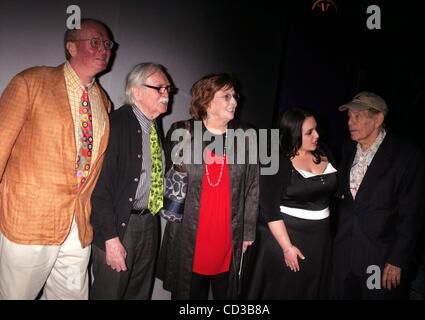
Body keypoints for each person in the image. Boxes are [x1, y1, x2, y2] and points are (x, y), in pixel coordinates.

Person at [0, 18, 113, 299]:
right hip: (28, 221)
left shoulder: (103, 101)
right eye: (95, 42)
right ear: (71, 47)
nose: (104, 49)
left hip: (78, 225)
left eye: (108, 44)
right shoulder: (31, 81)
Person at [157, 73, 259, 300]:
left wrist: (248, 232)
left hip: (228, 234)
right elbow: (166, 176)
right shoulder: (182, 132)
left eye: (235, 96)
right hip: (190, 232)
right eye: (226, 96)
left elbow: (252, 186)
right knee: (188, 294)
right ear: (206, 101)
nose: (234, 102)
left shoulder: (245, 136)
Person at [330, 91, 425, 299]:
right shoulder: (347, 150)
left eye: (357, 116)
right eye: (349, 117)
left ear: (378, 119)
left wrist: (398, 259)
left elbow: (410, 214)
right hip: (344, 253)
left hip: (378, 259)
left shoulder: (406, 157)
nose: (350, 122)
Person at [89, 63, 171, 299]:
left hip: (149, 223)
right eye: (159, 88)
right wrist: (110, 239)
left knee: (139, 293)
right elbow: (99, 188)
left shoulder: (154, 125)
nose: (166, 94)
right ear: (136, 92)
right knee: (110, 293)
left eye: (167, 88)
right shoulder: (116, 124)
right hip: (119, 227)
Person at [245, 108, 337, 299]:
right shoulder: (275, 160)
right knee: (284, 290)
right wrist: (287, 247)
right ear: (293, 134)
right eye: (309, 132)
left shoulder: (324, 151)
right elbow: (269, 210)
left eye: (316, 129)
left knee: (311, 290)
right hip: (286, 237)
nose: (317, 135)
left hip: (320, 239)